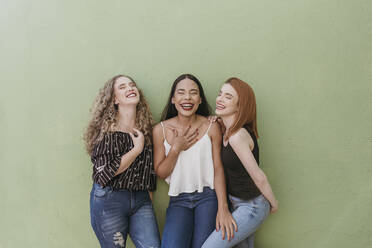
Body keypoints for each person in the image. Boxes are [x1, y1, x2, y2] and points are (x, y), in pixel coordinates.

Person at [153, 74, 237, 248]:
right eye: (181, 93)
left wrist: (223, 207)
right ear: (173, 100)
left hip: (209, 197)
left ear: (199, 100)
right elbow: (161, 173)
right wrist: (176, 148)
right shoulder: (160, 130)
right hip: (178, 200)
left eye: (193, 93)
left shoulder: (211, 127)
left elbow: (218, 168)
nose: (187, 97)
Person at [84, 75, 160, 248]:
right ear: (115, 99)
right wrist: (136, 150)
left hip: (141, 200)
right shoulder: (106, 132)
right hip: (110, 200)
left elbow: (148, 167)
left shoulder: (145, 128)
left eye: (132, 85)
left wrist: (148, 193)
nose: (130, 88)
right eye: (122, 87)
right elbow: (103, 174)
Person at [202, 77, 278, 248]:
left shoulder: (237, 136)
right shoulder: (226, 129)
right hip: (236, 203)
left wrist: (273, 203)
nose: (220, 99)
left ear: (239, 106)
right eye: (220, 94)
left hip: (252, 206)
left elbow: (259, 177)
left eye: (228, 97)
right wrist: (218, 122)